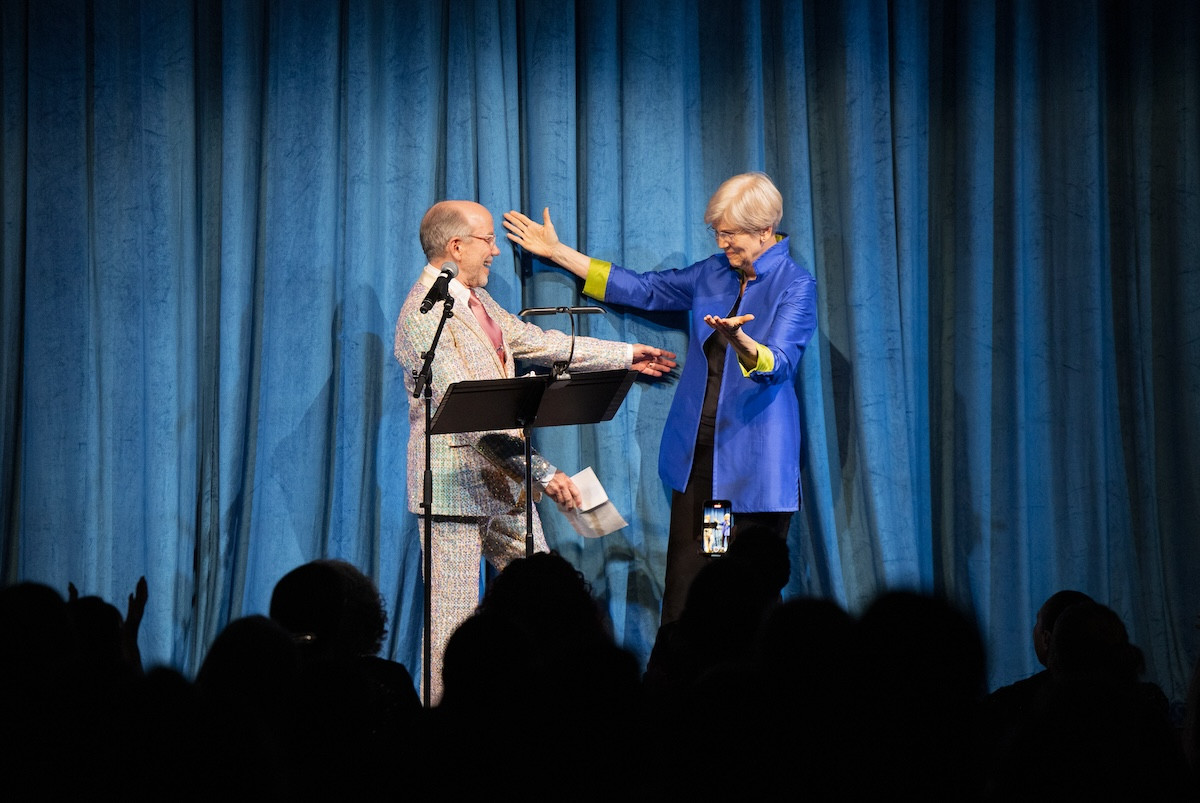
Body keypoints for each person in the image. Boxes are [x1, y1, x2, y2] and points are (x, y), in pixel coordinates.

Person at [393, 200, 676, 702]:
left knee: (551, 600)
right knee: (450, 630)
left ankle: (556, 708)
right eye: (487, 240)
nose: (496, 251)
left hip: (501, 486)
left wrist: (627, 356)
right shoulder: (424, 317)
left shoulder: (473, 301)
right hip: (454, 493)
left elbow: (532, 340)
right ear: (456, 247)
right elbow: (476, 418)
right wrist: (543, 474)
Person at [504, 172, 817, 623]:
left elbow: (781, 362)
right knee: (700, 576)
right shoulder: (714, 272)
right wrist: (557, 253)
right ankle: (679, 679)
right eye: (718, 233)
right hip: (705, 465)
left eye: (730, 235)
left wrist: (744, 343)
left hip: (752, 466)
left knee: (750, 588)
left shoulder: (794, 285)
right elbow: (644, 289)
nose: (722, 243)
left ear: (765, 230)